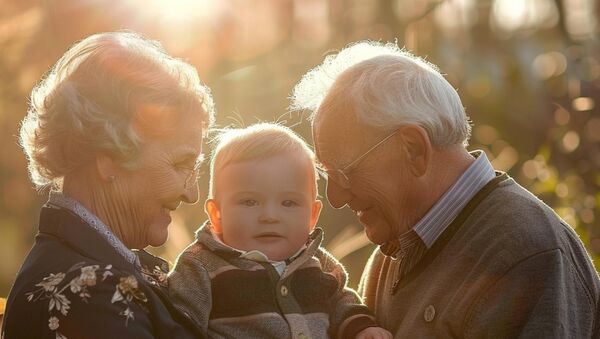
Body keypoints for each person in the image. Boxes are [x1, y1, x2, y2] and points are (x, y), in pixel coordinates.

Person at [291, 41, 600, 338]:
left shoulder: (527, 253)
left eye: (345, 172)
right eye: (325, 173)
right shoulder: (397, 248)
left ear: (413, 149)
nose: (335, 197)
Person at [2, 31, 215, 339]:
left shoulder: (89, 268)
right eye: (181, 164)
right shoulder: (90, 294)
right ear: (110, 158)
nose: (192, 193)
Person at [168, 123, 392, 339]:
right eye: (249, 202)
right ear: (217, 214)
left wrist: (362, 328)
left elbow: (343, 303)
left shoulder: (319, 264)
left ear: (312, 216)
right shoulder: (201, 267)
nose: (270, 216)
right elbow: (180, 325)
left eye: (288, 203)